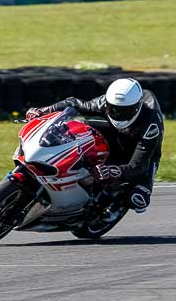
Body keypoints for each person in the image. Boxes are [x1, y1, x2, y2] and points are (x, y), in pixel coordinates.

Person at [26, 78, 164, 214]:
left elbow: (138, 166)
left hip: (143, 151)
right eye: (114, 109)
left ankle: (107, 207)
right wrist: (44, 111)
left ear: (137, 107)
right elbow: (74, 104)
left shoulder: (150, 125)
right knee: (77, 127)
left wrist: (112, 171)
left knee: (138, 199)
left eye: (125, 112)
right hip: (115, 133)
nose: (118, 115)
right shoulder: (104, 102)